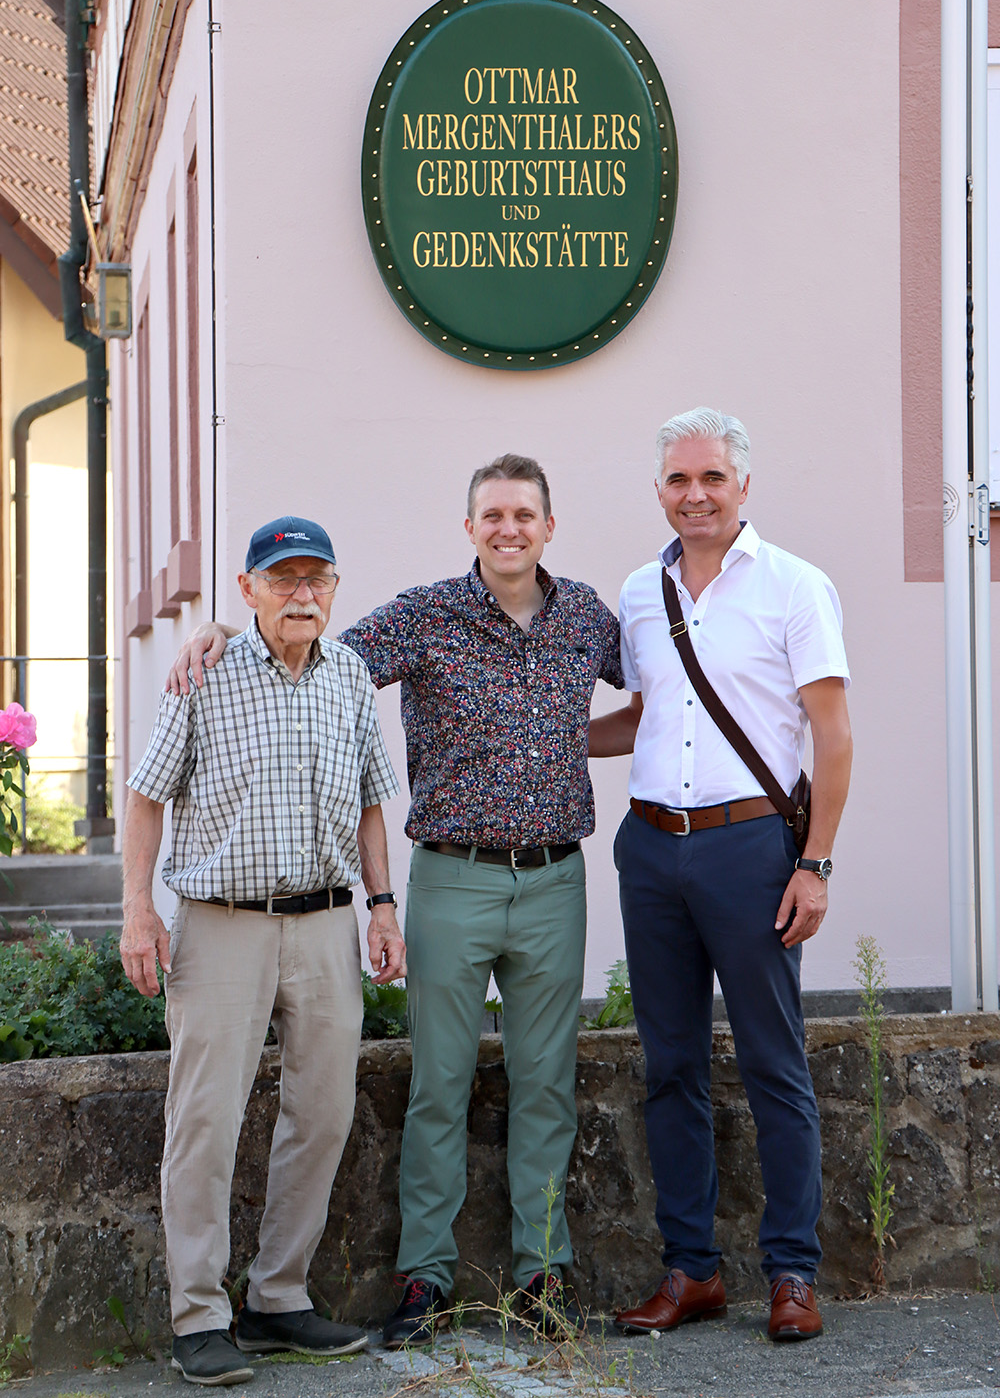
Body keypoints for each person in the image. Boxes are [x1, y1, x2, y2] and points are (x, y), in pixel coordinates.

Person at [168, 456, 624, 1345]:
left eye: (524, 514)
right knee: (439, 1085)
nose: (508, 528)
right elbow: (310, 645)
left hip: (556, 879)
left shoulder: (589, 620)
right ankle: (425, 1282)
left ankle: (541, 1275)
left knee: (546, 1087)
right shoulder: (425, 615)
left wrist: (572, 737)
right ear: (470, 528)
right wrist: (225, 625)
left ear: (548, 525)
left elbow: (659, 698)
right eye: (492, 514)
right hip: (451, 874)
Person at [121, 516, 405, 1385]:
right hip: (220, 925)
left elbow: (368, 803)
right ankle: (198, 1318)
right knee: (203, 1121)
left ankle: (279, 1300)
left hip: (324, 924)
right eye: (283, 579)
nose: (301, 594)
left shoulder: (351, 675)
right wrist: (138, 911)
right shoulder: (204, 673)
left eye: (316, 578)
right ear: (246, 592)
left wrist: (383, 906)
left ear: (334, 590)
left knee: (322, 1114)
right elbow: (144, 799)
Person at [590, 408, 852, 1342]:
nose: (693, 495)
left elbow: (831, 733)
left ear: (744, 485)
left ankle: (792, 1274)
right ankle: (691, 1271)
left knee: (775, 1062)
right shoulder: (637, 590)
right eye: (676, 480)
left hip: (752, 850)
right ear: (658, 489)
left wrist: (813, 864)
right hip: (652, 847)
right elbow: (647, 714)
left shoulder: (795, 586)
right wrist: (551, 743)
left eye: (710, 478)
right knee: (670, 1067)